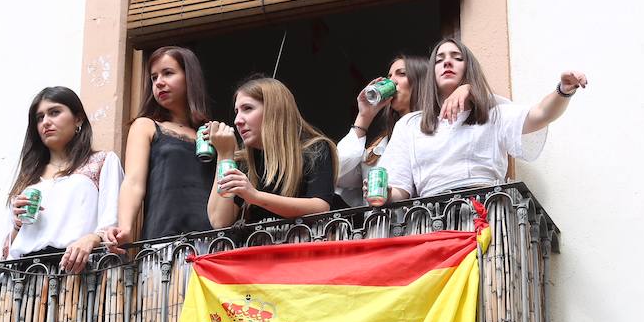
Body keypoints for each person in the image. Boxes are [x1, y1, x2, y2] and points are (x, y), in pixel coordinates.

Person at [381, 38, 588, 199]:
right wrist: (385, 193)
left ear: (469, 68)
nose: (447, 62)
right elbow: (400, 189)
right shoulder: (409, 125)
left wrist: (564, 91)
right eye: (439, 59)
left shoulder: (493, 112)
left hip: (487, 216)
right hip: (432, 221)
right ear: (431, 74)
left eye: (457, 57)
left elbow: (541, 114)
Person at [6, 86, 124, 272]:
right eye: (40, 117)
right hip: (27, 277)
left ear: (78, 118)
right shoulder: (28, 178)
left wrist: (93, 238)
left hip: (79, 273)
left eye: (54, 112)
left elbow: (113, 222)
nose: (46, 122)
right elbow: (11, 249)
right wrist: (17, 224)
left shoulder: (102, 162)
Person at [336, 50, 476, 206]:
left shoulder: (443, 129)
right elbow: (337, 172)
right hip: (379, 228)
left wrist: (468, 89)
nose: (392, 81)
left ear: (422, 81)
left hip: (423, 223)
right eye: (389, 77)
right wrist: (364, 117)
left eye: (401, 74)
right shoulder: (380, 145)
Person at [107, 46, 214, 246]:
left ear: (189, 77)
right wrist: (126, 228)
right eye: (154, 78)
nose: (159, 83)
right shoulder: (146, 125)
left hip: (211, 242)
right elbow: (133, 182)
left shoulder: (210, 133)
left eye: (168, 73)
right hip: (163, 241)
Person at [207, 76, 338, 227]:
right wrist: (225, 156)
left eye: (247, 108)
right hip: (255, 248)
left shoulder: (315, 148)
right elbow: (219, 221)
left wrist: (255, 196)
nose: (237, 120)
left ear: (274, 110)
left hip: (299, 246)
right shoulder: (243, 161)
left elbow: (320, 207)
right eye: (237, 111)